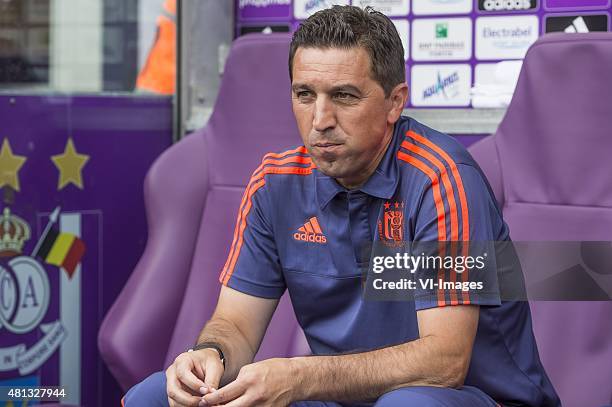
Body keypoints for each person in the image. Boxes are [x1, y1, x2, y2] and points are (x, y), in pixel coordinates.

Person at [123, 6, 560, 407]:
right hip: (343, 396)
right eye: (305, 94)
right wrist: (208, 356)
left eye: (345, 96)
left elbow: (443, 363)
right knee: (156, 396)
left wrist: (297, 375)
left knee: (408, 404)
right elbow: (235, 325)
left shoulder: (442, 180)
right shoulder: (274, 184)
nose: (320, 119)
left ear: (394, 102)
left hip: (473, 397)